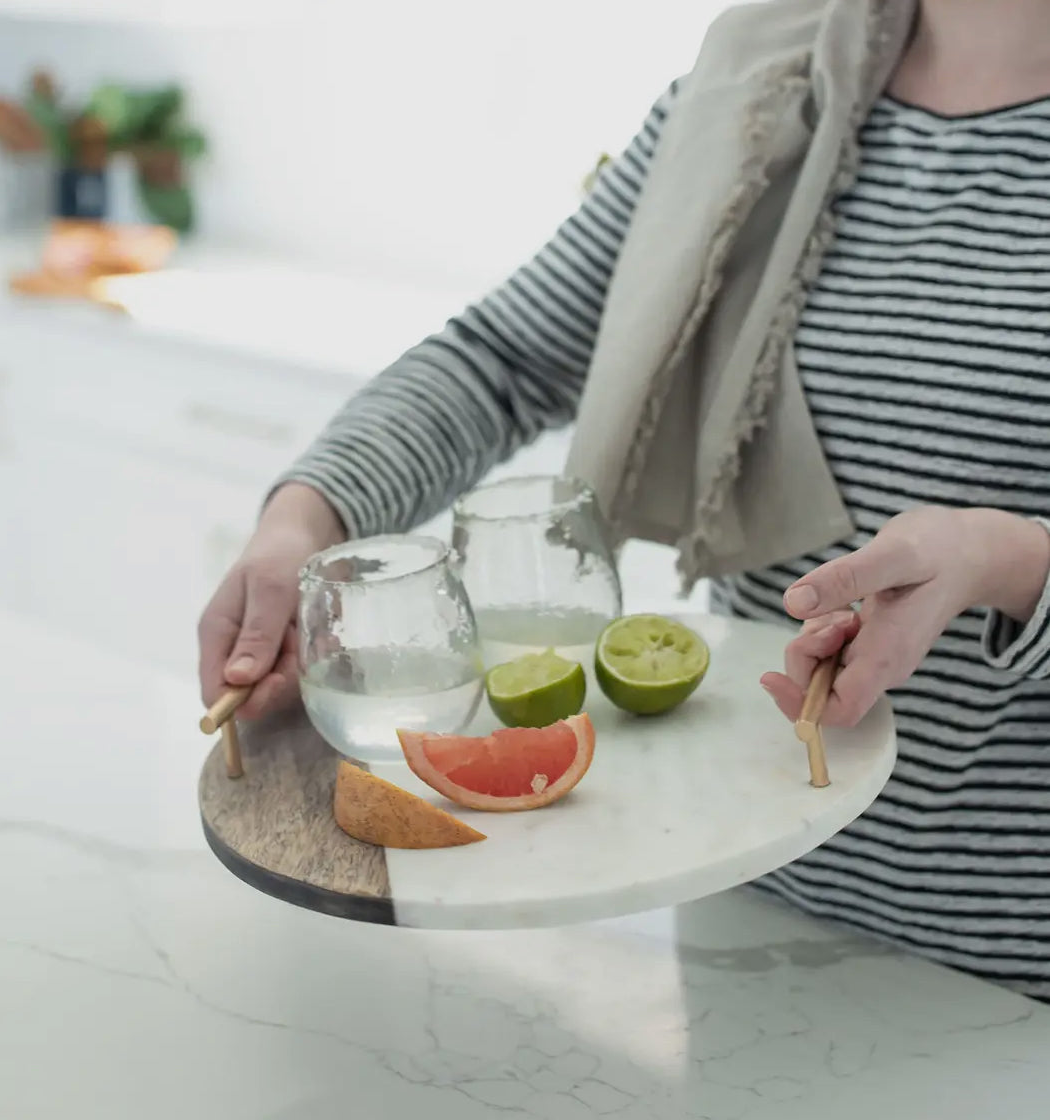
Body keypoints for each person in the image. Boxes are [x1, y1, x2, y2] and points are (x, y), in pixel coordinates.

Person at [199, 0, 1050, 1000]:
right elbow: (504, 359)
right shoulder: (755, 84)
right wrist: (306, 518)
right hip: (751, 895)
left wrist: (1010, 563)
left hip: (1015, 967)